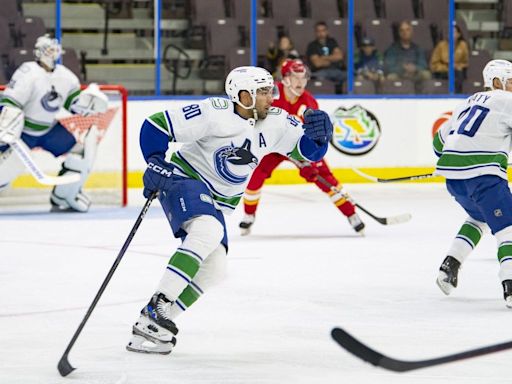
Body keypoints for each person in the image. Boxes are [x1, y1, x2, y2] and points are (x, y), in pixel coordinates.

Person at [126, 66, 333, 354]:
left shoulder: (276, 121)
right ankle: (156, 305)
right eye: (262, 92)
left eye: (270, 90)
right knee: (207, 230)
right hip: (185, 179)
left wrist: (319, 139)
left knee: (214, 270)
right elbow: (156, 125)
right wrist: (155, 161)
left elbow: (306, 153)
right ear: (243, 94)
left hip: (218, 202)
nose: (270, 97)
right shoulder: (214, 111)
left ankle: (155, 325)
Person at [239, 59, 365, 236]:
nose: (300, 81)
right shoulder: (269, 94)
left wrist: (307, 163)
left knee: (324, 177)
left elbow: (310, 138)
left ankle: (351, 214)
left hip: (295, 146)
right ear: (284, 78)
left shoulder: (310, 103)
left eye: (304, 77)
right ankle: (249, 214)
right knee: (255, 177)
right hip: (270, 147)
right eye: (294, 76)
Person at [433, 59, 512, 308]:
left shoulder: (466, 103)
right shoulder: (507, 101)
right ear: (497, 82)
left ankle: (450, 265)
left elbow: (438, 143)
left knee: (479, 218)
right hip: (484, 179)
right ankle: (510, 285)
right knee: (508, 229)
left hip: (455, 181)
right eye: (511, 81)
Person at [0, 34, 108, 212]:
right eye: (48, 50)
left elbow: (74, 104)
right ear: (39, 52)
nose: (52, 54)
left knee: (82, 152)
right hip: (23, 133)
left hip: (48, 131)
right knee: (8, 169)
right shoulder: (28, 72)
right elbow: (11, 102)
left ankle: (63, 195)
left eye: (54, 50)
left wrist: (88, 102)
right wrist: (6, 129)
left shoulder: (66, 76)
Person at [384, 20, 431, 90]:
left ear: (412, 32)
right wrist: (403, 68)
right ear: (399, 33)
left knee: (426, 74)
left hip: (415, 75)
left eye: (407, 30)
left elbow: (423, 65)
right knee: (390, 77)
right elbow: (388, 67)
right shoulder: (392, 49)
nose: (405, 32)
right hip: (399, 75)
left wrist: (415, 68)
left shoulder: (418, 48)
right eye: (402, 30)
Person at [430, 25, 469, 94]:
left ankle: (457, 94)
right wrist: (447, 68)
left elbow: (465, 62)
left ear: (459, 34)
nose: (451, 34)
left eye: (454, 32)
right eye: (450, 32)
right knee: (454, 74)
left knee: (458, 74)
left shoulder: (463, 45)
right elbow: (434, 64)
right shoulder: (441, 46)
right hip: (443, 71)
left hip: (458, 71)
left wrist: (458, 66)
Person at [306, 21, 345, 87]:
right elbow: (317, 63)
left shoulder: (332, 42)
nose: (321, 33)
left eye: (323, 30)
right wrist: (332, 59)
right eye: (318, 31)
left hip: (335, 70)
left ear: (327, 31)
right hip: (320, 72)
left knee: (349, 76)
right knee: (320, 78)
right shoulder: (312, 45)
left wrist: (323, 57)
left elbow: (339, 56)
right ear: (315, 32)